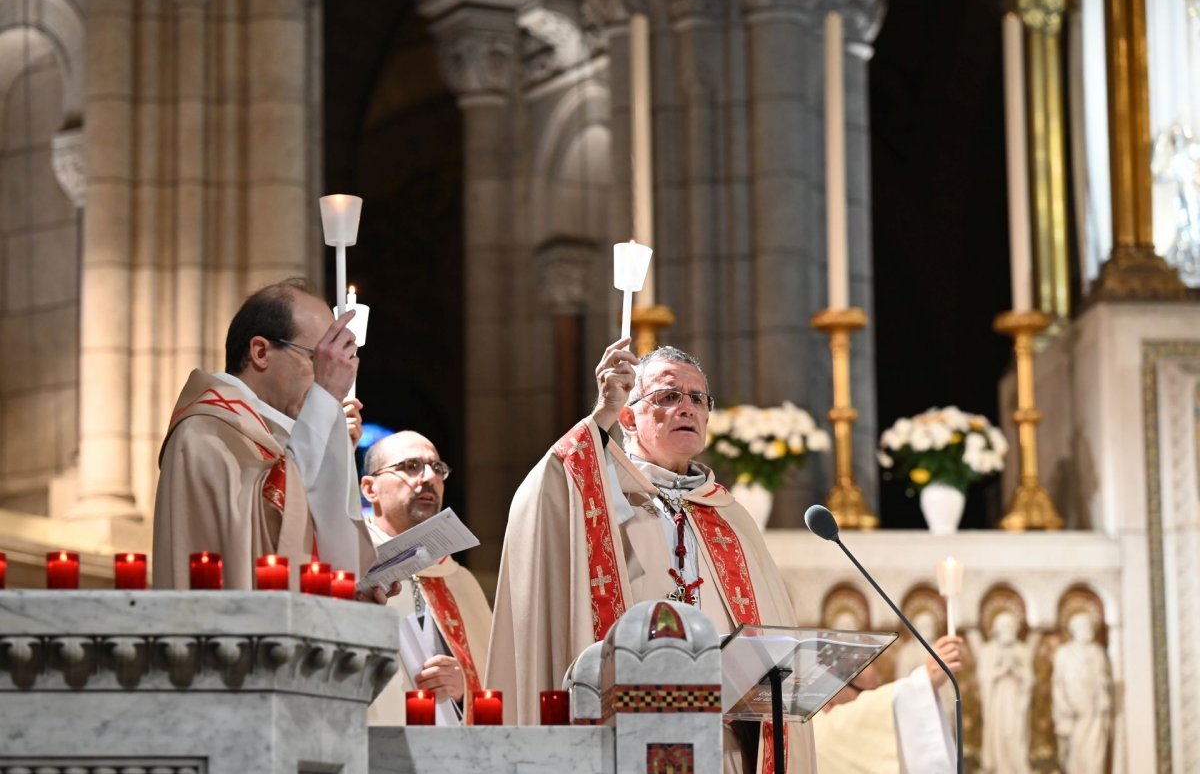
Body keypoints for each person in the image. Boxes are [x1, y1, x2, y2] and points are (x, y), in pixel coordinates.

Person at [487, 339, 816, 773]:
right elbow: (541, 498)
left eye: (698, 398)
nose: (687, 407)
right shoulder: (600, 498)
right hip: (628, 732)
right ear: (628, 415)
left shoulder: (730, 516)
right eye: (667, 396)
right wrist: (600, 413)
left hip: (725, 743)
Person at [153, 279, 374, 591]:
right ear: (260, 352)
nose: (328, 375)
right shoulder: (206, 431)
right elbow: (266, 531)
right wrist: (323, 404)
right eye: (318, 359)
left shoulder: (283, 432)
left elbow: (315, 550)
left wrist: (360, 585)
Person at [359, 431, 492, 725]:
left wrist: (464, 689)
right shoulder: (353, 567)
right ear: (370, 489)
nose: (428, 477)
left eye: (437, 468)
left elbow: (495, 682)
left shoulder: (460, 580)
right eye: (410, 466)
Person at [814, 634, 963, 774]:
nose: (869, 698)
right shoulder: (817, 733)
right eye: (867, 693)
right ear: (834, 687)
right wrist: (925, 679)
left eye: (875, 691)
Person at [972, 609, 1036, 774]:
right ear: (996, 629)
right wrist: (1000, 671)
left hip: (1016, 699)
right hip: (996, 699)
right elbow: (983, 676)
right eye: (1004, 626)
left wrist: (1016, 671)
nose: (1008, 629)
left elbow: (1029, 678)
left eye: (1011, 626)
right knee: (997, 733)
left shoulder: (1022, 650)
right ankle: (998, 767)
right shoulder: (988, 650)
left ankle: (1017, 767)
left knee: (1016, 732)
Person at [1051, 612, 1112, 774]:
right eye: (1084, 627)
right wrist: (1063, 704)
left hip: (1094, 709)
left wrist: (1103, 695)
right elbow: (1057, 683)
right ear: (1074, 630)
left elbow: (1103, 678)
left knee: (1095, 747)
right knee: (1075, 747)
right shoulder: (1064, 653)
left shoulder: (1097, 651)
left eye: (1089, 627)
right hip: (1074, 710)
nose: (1088, 631)